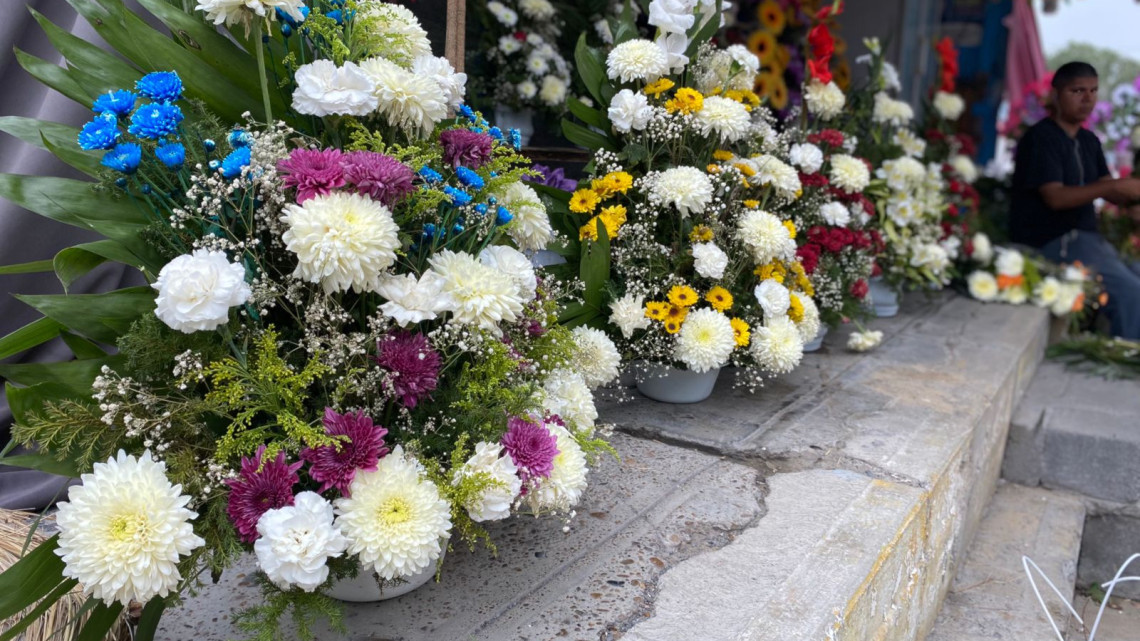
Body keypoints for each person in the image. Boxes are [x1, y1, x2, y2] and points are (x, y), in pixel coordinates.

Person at [1009, 61, 1140, 339]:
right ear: (1056, 95)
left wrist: (1131, 199)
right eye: (1077, 90)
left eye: (1093, 91)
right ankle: (1129, 358)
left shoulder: (1089, 140)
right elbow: (1055, 197)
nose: (1088, 99)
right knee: (1132, 292)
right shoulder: (1041, 138)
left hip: (1087, 242)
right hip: (1055, 242)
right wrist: (1115, 186)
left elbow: (1109, 189)